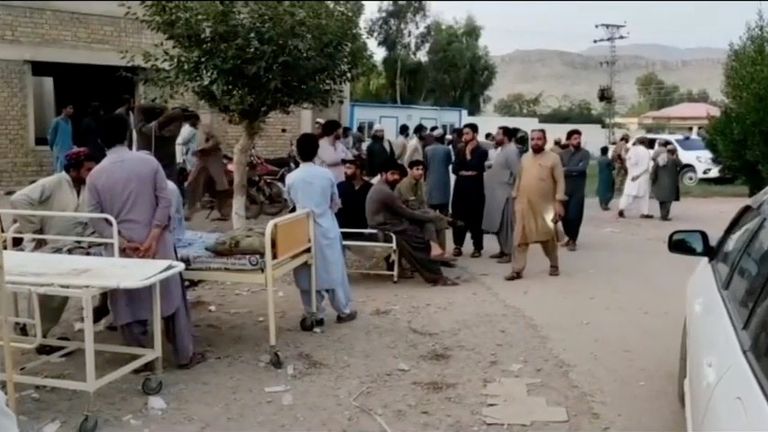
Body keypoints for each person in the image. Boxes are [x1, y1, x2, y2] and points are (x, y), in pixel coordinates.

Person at [87, 113, 205, 369]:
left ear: (100, 140)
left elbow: (96, 219)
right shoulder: (148, 164)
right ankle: (184, 355)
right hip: (157, 244)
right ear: (128, 135)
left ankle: (141, 361)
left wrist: (122, 242)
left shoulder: (95, 175)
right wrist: (153, 235)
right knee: (172, 299)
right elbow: (165, 201)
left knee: (128, 302)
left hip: (124, 251)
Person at [10, 148, 103, 355]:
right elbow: (18, 200)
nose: (92, 174)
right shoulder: (54, 183)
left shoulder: (88, 187)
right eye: (88, 169)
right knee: (52, 291)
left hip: (78, 244)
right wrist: (35, 228)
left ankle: (102, 311)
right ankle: (40, 335)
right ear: (73, 170)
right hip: (52, 246)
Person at [287, 133, 357, 328]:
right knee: (333, 270)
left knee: (305, 271)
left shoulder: (291, 178)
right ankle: (343, 310)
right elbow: (335, 203)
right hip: (326, 227)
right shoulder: (326, 175)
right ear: (317, 151)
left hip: (300, 230)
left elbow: (290, 203)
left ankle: (313, 313)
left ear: (297, 152)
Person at [366, 161, 458, 286]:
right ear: (383, 174)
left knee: (426, 225)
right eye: (392, 174)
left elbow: (413, 208)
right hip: (385, 228)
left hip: (391, 225)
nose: (396, 177)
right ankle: (436, 275)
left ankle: (436, 254)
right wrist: (428, 218)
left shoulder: (385, 188)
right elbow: (406, 212)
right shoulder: (384, 191)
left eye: (397, 174)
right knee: (420, 241)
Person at [505, 129, 566, 281]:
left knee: (547, 237)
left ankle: (554, 264)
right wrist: (514, 195)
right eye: (533, 139)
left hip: (545, 206)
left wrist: (559, 202)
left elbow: (560, 181)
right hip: (523, 204)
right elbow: (519, 178)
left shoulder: (554, 158)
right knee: (520, 237)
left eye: (539, 139)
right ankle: (517, 270)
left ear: (545, 140)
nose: (535, 142)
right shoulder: (525, 158)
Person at [395, 159, 452, 256]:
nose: (420, 172)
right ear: (410, 170)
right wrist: (428, 213)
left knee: (440, 224)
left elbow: (423, 203)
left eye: (422, 169)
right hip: (405, 215)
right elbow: (413, 205)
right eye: (417, 169)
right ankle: (448, 221)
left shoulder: (420, 183)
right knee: (430, 223)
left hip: (417, 212)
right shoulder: (405, 184)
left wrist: (428, 212)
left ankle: (441, 254)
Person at [482, 126, 521, 264]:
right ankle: (502, 250)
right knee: (498, 224)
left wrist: (514, 192)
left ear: (505, 137)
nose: (495, 136)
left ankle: (509, 252)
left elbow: (517, 173)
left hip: (506, 193)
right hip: (496, 193)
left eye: (498, 134)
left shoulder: (511, 151)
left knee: (506, 225)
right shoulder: (503, 150)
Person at [451, 123, 489, 258]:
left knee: (476, 219)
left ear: (475, 134)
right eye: (463, 133)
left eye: (467, 133)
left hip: (475, 190)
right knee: (458, 218)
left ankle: (477, 247)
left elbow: (476, 166)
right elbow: (455, 169)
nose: (464, 136)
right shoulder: (459, 149)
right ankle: (458, 245)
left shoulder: (482, 151)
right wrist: (467, 171)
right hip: (460, 189)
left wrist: (468, 154)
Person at [184, 124, 231, 221]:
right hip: (202, 157)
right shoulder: (189, 130)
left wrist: (205, 147)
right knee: (192, 182)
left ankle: (225, 211)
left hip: (212, 156)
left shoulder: (204, 127)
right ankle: (191, 210)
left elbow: (217, 141)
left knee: (221, 184)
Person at [135, 103, 185, 183]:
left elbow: (138, 108)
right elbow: (177, 113)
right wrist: (164, 108)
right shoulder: (172, 130)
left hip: (148, 175)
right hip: (168, 175)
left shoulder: (142, 131)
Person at [559, 129, 591, 251]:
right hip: (565, 188)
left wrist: (566, 169)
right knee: (564, 216)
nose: (578, 141)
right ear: (569, 140)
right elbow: (558, 169)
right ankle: (569, 236)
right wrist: (572, 169)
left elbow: (582, 168)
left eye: (579, 138)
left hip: (578, 189)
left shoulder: (584, 153)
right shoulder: (562, 154)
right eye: (575, 139)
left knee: (575, 215)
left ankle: (573, 240)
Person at [618, 137, 654, 219]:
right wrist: (638, 175)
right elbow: (646, 166)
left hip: (631, 175)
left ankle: (621, 208)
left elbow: (628, 162)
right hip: (642, 176)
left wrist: (631, 172)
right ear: (644, 142)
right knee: (644, 195)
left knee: (627, 194)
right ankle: (644, 212)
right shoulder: (645, 151)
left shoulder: (632, 150)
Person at [336, 159, 373, 230]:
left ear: (358, 170)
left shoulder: (370, 188)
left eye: (349, 168)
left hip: (363, 229)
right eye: (345, 168)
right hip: (343, 229)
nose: (345, 171)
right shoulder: (340, 186)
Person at [424, 128, 453, 216]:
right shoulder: (446, 149)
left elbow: (426, 164)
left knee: (430, 213)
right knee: (443, 213)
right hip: (443, 183)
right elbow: (448, 162)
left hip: (431, 183)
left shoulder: (427, 149)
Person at [651, 143, 683, 221]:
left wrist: (653, 179)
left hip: (660, 182)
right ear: (673, 151)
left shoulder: (660, 158)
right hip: (670, 183)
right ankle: (665, 216)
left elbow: (654, 169)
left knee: (662, 200)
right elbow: (681, 165)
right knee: (668, 200)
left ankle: (662, 214)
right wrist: (677, 157)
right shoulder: (674, 159)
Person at [48, 103, 75, 173]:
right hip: (59, 150)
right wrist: (53, 147)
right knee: (59, 171)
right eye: (70, 108)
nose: (71, 110)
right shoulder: (56, 121)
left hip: (68, 150)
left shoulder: (69, 122)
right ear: (64, 110)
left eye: (72, 109)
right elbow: (51, 136)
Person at [596, 146, 615, 211]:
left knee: (601, 190)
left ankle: (602, 203)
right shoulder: (607, 160)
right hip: (608, 176)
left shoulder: (599, 159)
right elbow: (613, 168)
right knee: (609, 191)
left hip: (601, 176)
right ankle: (605, 204)